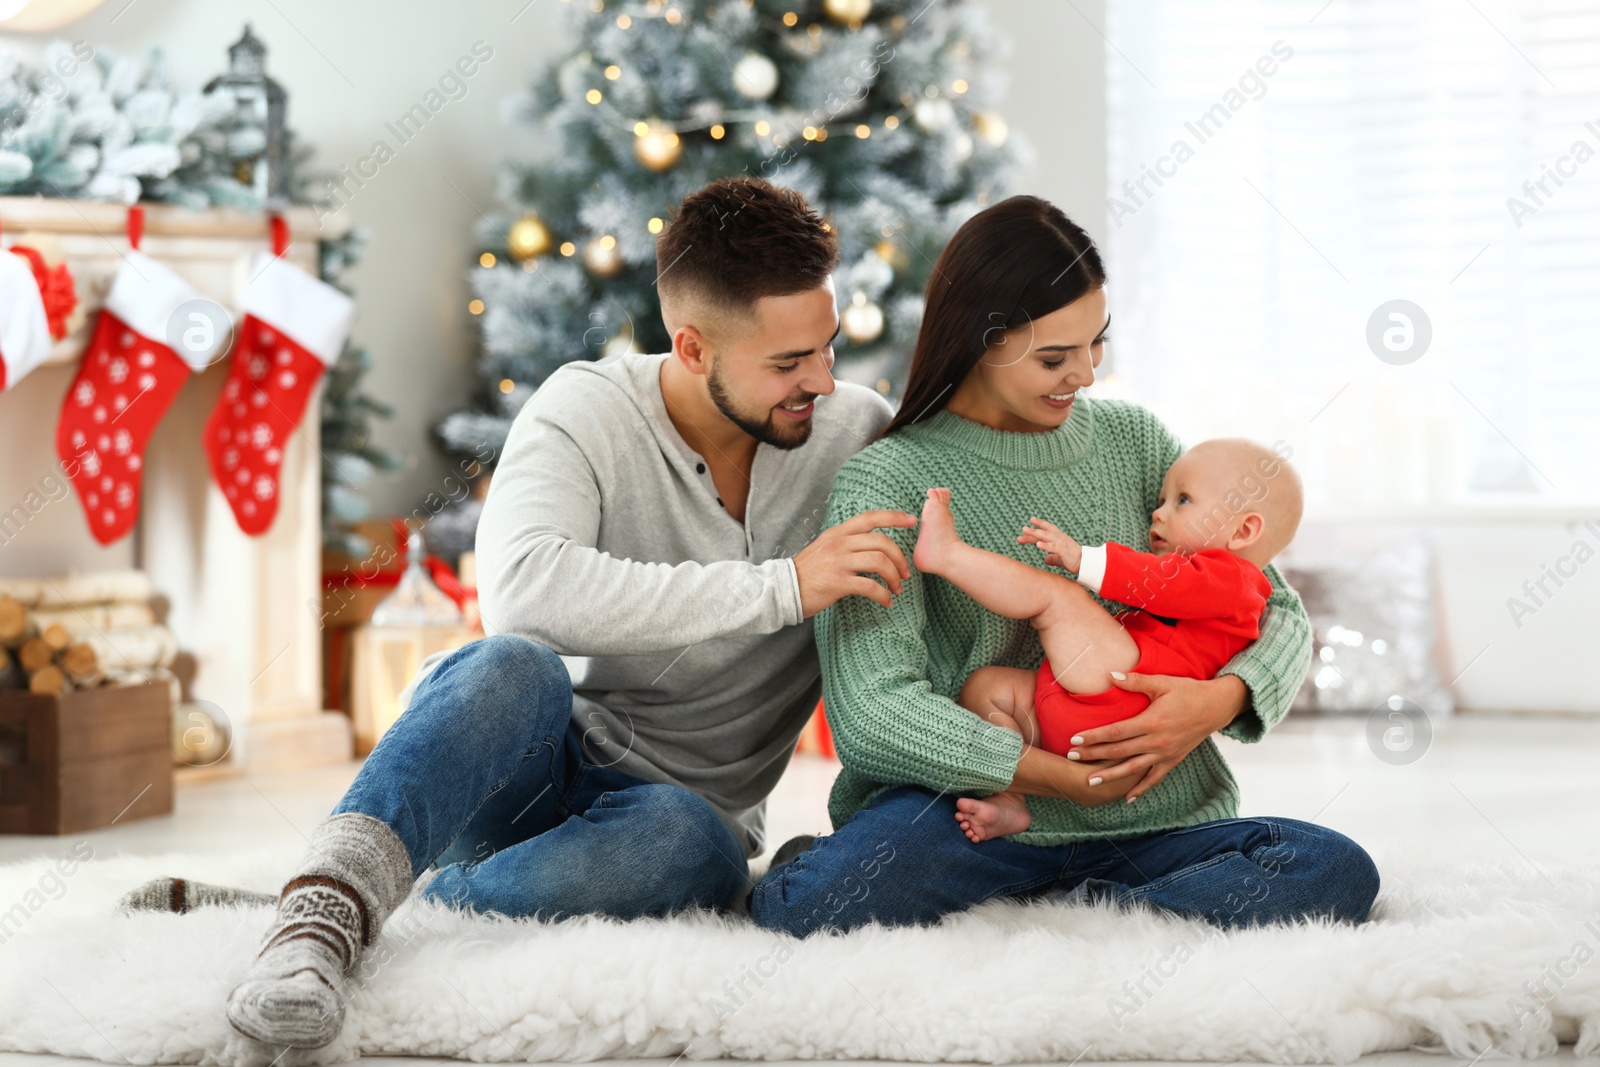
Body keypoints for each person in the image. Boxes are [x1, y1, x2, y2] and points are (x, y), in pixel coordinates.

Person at [117, 176, 914, 1049]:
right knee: (510, 663)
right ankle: (316, 921)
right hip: (522, 771)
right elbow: (525, 590)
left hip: (668, 822)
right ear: (691, 347)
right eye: (789, 363)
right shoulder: (587, 409)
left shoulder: (857, 436)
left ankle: (347, 912)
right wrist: (784, 586)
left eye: (828, 348)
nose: (823, 381)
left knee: (694, 844)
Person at [747, 194, 1380, 937]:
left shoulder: (1134, 441)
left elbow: (1267, 602)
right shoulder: (886, 481)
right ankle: (1090, 907)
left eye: (1096, 344)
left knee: (1333, 869)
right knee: (812, 905)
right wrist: (1053, 778)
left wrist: (1215, 704)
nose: (1083, 373)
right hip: (974, 815)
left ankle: (1062, 908)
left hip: (1148, 817)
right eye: (1054, 356)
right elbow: (872, 712)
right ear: (979, 341)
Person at [911, 437, 1303, 842]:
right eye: (1161, 499)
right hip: (1089, 713)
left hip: (1132, 698)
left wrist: (1084, 558)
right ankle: (1011, 800)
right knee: (987, 687)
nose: (1158, 512)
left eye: (1182, 501)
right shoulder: (1214, 579)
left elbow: (1160, 582)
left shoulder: (1236, 581)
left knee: (1058, 599)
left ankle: (948, 556)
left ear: (1244, 531)